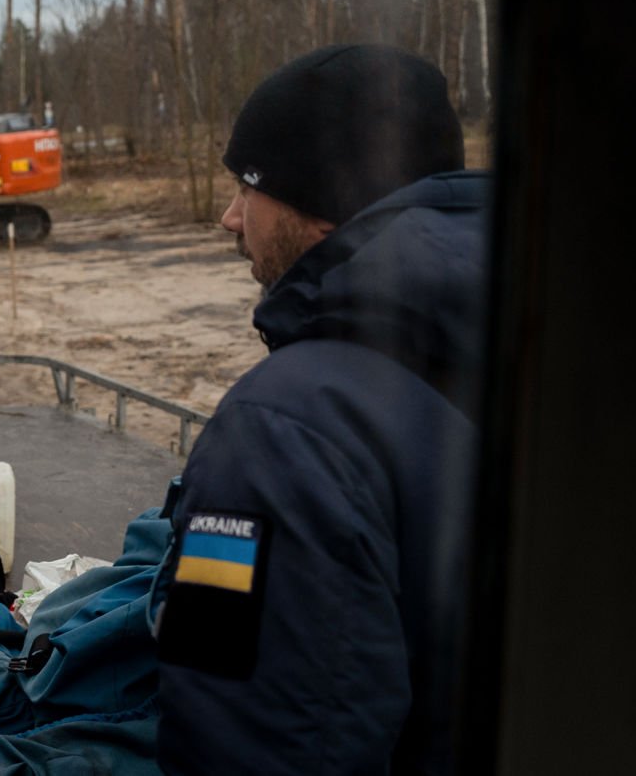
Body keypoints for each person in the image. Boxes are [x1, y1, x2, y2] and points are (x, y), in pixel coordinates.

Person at [152, 44, 490, 773]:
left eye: (248, 185)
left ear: (322, 202)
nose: (229, 217)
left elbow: (248, 738)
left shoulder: (282, 428)